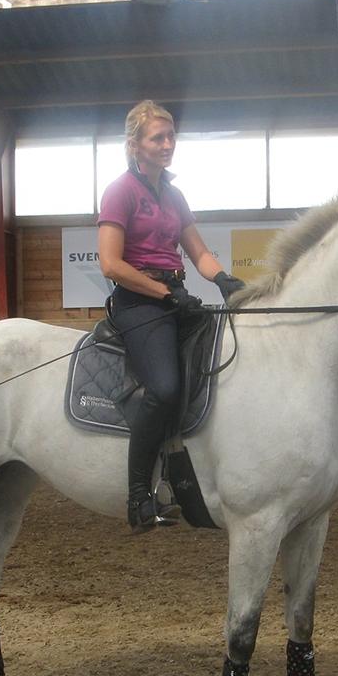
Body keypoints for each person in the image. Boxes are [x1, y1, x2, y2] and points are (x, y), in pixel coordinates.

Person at [98, 100, 246, 533]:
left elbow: (197, 251)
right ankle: (139, 496)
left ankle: (190, 469)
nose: (167, 145)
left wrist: (224, 279)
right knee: (163, 388)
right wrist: (163, 293)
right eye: (157, 138)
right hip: (138, 301)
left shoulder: (174, 195)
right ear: (134, 145)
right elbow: (110, 264)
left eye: (171, 136)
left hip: (174, 295)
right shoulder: (120, 191)